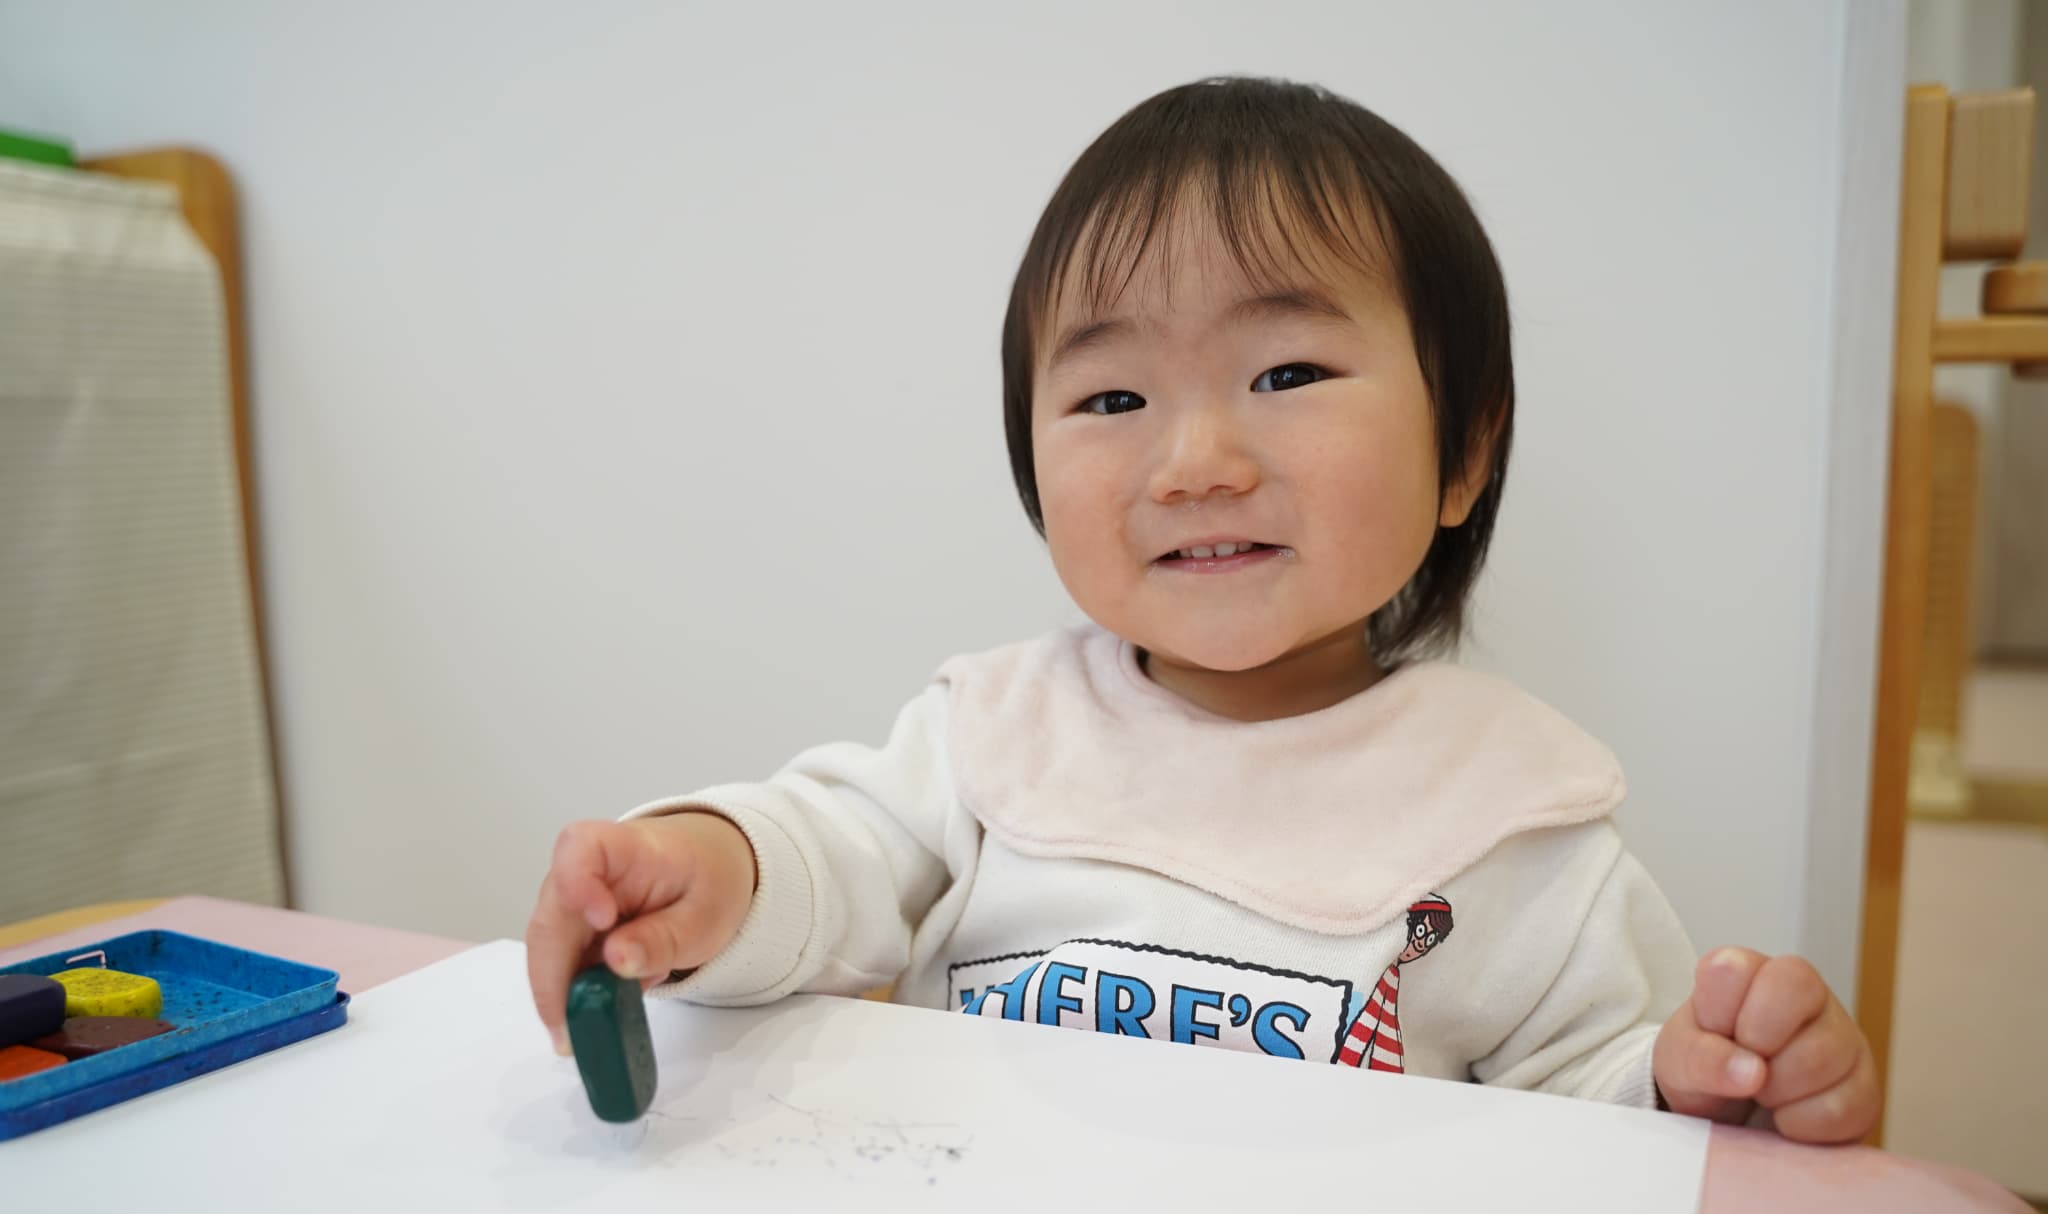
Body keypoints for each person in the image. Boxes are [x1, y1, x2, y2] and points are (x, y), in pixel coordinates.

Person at [524, 76, 1878, 1143]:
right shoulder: (995, 737)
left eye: (1286, 373)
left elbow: (1598, 1112)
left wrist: (1700, 1087)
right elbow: (829, 859)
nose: (1196, 463)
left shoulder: (1511, 821)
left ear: (1464, 451)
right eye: (1113, 398)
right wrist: (714, 864)